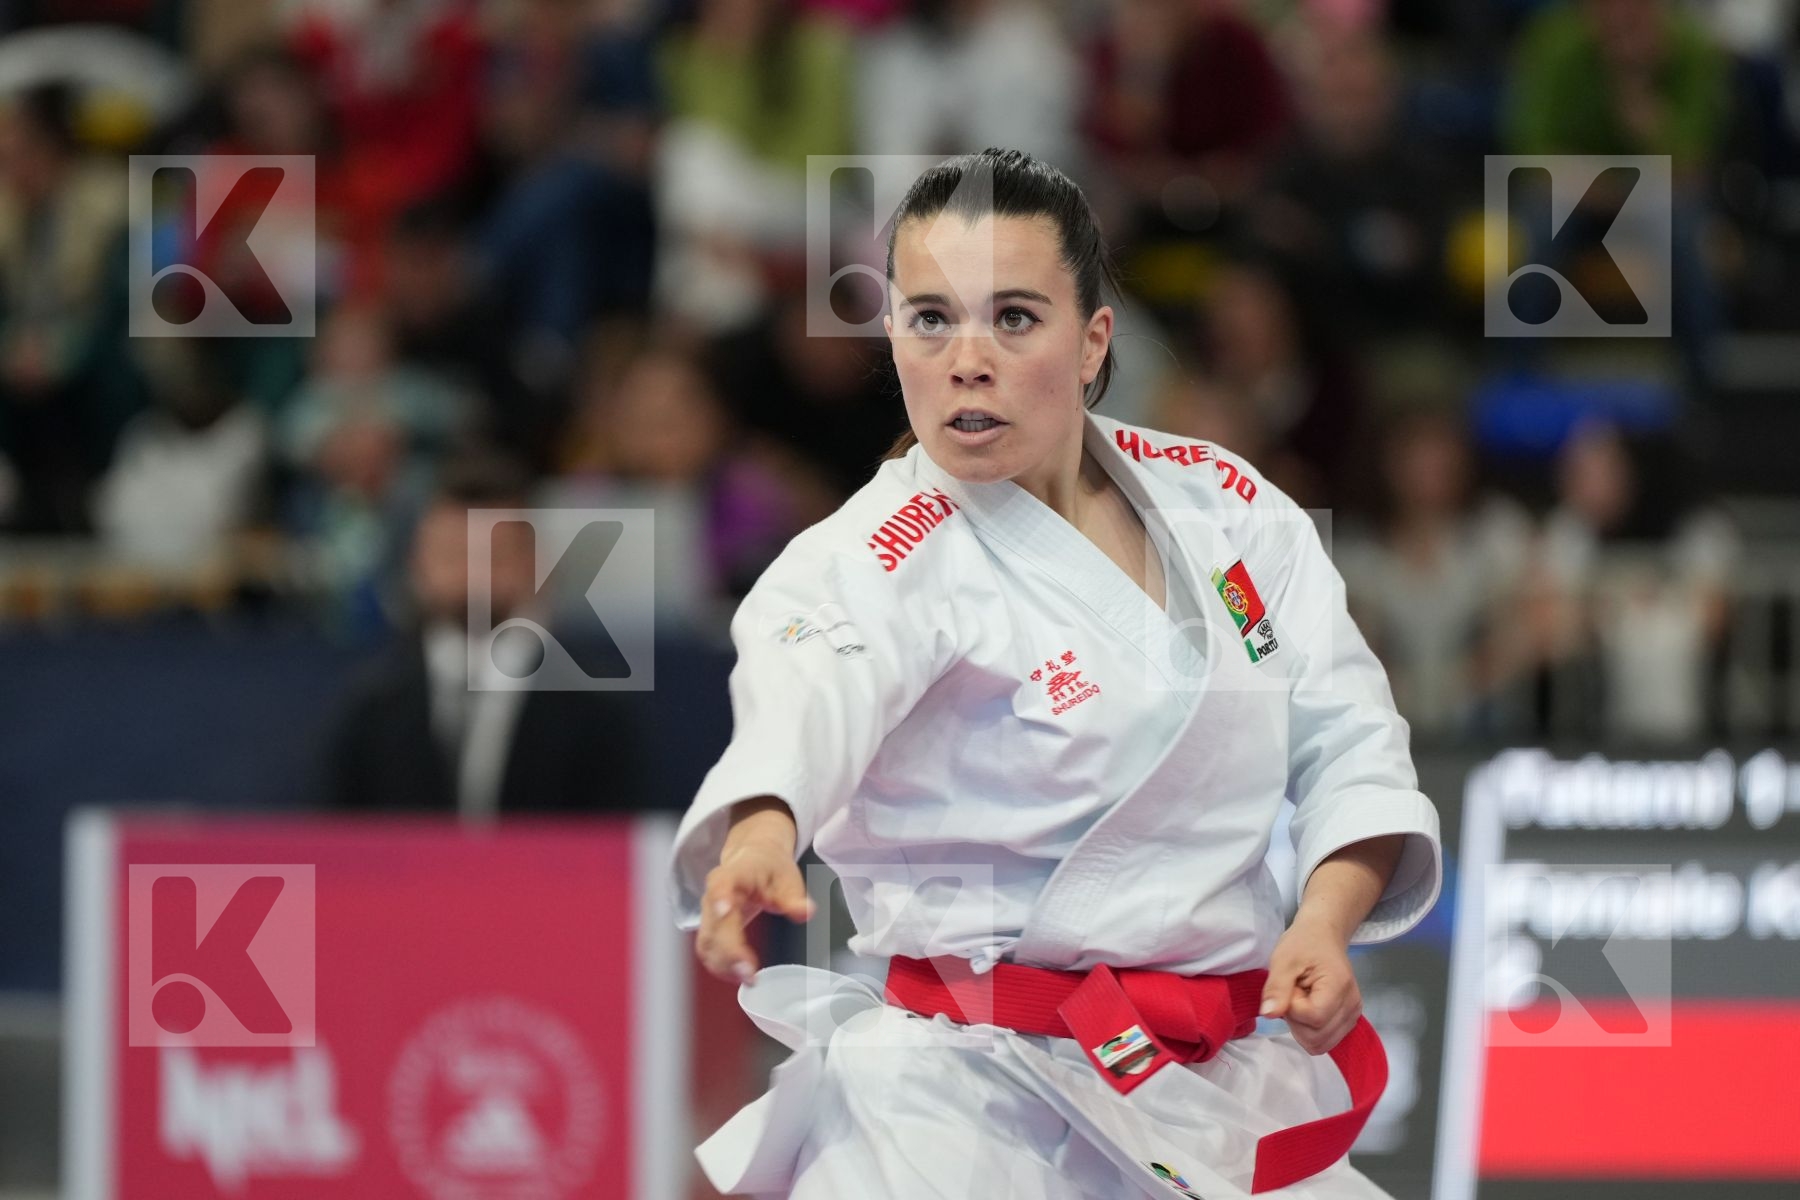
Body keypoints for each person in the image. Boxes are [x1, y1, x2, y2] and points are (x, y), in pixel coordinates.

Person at [669, 150, 1441, 1199]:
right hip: (958, 1101)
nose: (967, 358)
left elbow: (1348, 734)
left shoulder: (1228, 505)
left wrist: (1323, 918)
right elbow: (809, 692)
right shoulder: (876, 551)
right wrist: (764, 828)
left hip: (1214, 1076)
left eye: (1015, 318)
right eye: (929, 318)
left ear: (1093, 343)